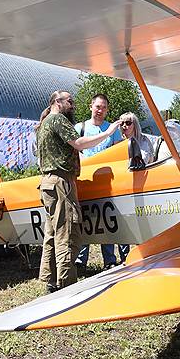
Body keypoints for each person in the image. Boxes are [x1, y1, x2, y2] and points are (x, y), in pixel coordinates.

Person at [36, 91, 120, 293]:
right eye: (70, 101)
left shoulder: (44, 123)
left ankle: (50, 279)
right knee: (67, 232)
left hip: (47, 183)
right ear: (58, 102)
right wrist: (109, 132)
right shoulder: (58, 120)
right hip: (61, 182)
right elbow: (80, 144)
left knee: (52, 233)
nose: (73, 105)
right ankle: (66, 285)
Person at [74, 94, 124, 271]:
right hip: (84, 181)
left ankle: (109, 260)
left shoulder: (112, 129)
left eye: (103, 107)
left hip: (106, 183)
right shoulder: (80, 128)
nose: (100, 110)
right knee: (83, 221)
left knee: (106, 220)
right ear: (91, 107)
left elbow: (119, 152)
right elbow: (74, 150)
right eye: (97, 106)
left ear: (107, 110)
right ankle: (80, 262)